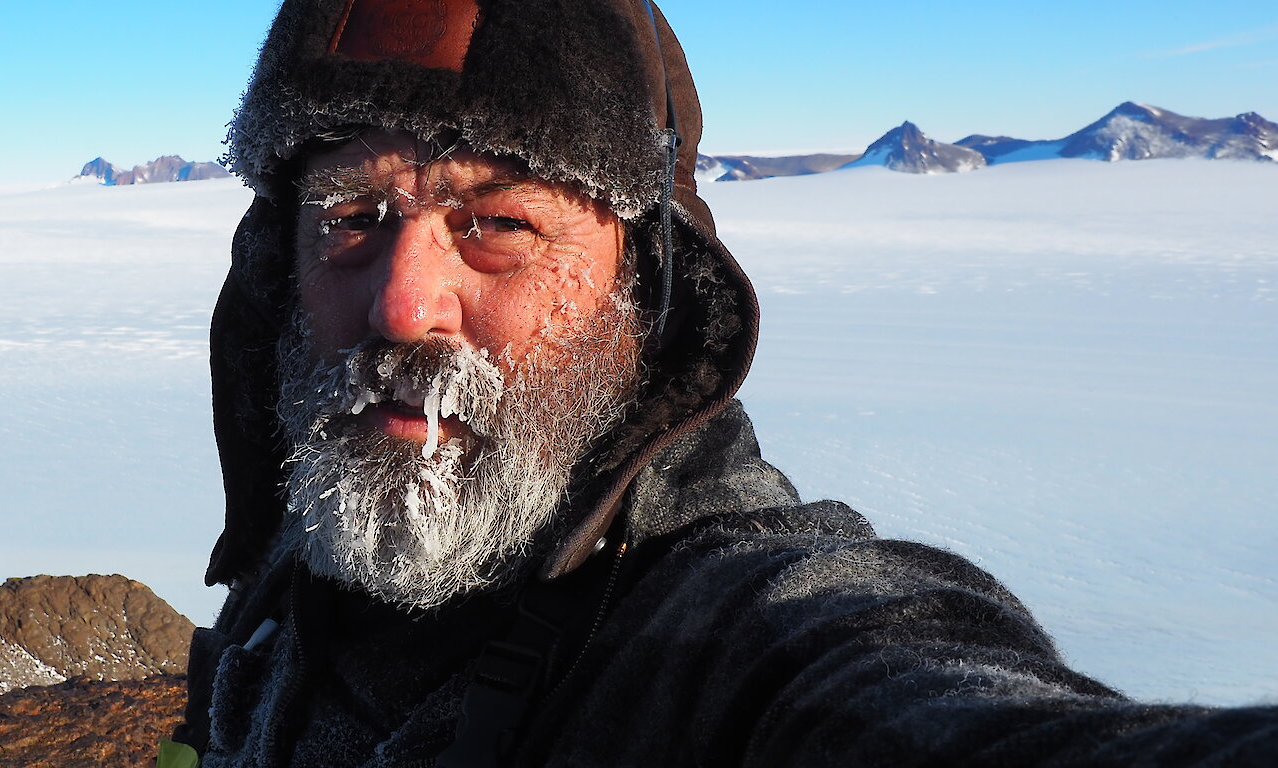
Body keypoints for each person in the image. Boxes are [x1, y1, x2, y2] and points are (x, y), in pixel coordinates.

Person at [164, 1, 1278, 766]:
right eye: (351, 220)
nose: (402, 303)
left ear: (643, 293)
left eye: (498, 225)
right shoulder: (306, 555)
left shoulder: (712, 632)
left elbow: (898, 687)